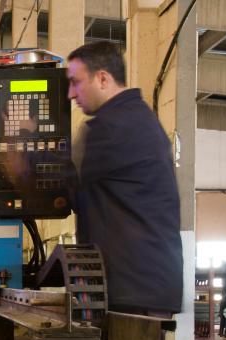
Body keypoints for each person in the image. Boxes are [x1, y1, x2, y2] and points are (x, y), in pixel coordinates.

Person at [66, 41, 183, 317]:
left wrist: (20, 155)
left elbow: (66, 186)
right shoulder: (138, 117)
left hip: (132, 292)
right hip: (145, 288)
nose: (71, 93)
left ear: (103, 78)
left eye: (76, 82)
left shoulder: (111, 126)